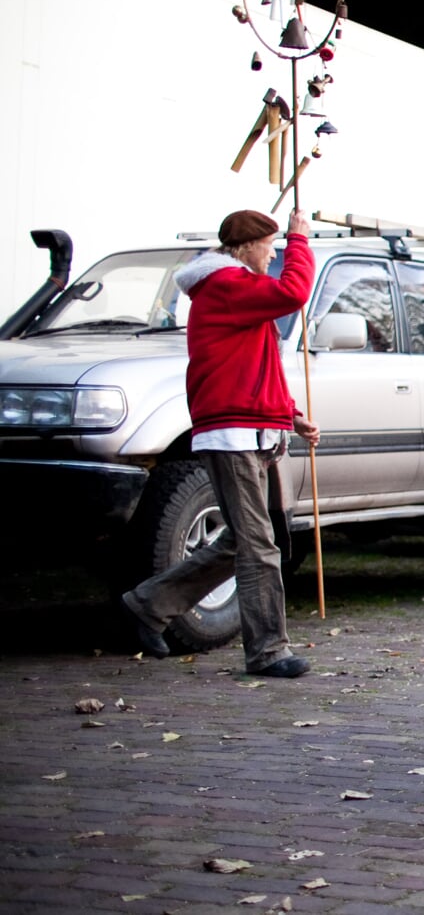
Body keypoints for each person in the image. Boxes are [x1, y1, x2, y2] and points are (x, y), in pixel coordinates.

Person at [118, 209, 318, 678]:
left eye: (279, 246)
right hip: (232, 434)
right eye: (270, 245)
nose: (275, 254)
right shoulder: (226, 285)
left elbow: (256, 363)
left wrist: (289, 415)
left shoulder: (236, 291)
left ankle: (147, 605)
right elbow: (295, 292)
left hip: (252, 429)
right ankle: (269, 652)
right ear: (246, 246)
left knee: (242, 542)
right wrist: (301, 238)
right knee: (259, 545)